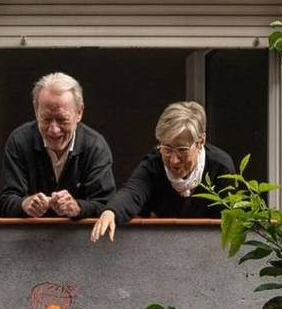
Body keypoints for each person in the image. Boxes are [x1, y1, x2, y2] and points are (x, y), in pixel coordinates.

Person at [90, 101, 235, 243]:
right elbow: (133, 191)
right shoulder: (154, 163)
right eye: (167, 148)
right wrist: (111, 212)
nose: (174, 160)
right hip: (162, 247)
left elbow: (228, 224)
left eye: (182, 150)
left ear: (200, 142)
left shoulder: (221, 167)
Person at [0, 72, 115, 218]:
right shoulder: (19, 141)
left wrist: (78, 208)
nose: (53, 129)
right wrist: (25, 204)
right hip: (28, 239)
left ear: (79, 112)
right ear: (35, 110)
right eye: (46, 119)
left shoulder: (95, 146)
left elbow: (107, 206)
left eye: (62, 119)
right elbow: (4, 202)